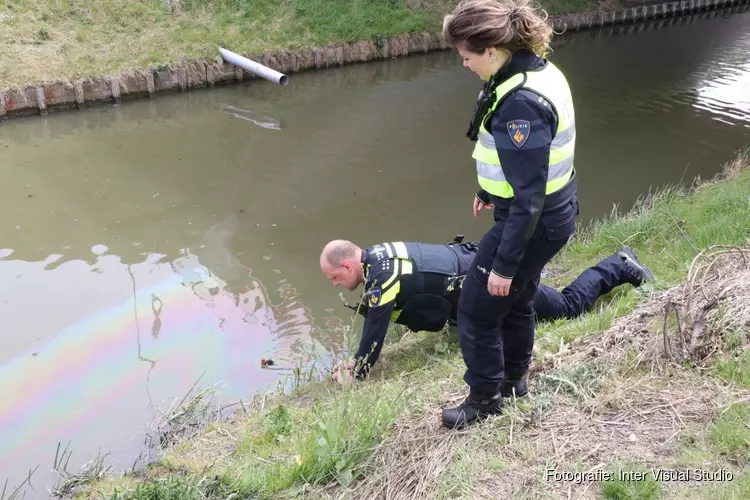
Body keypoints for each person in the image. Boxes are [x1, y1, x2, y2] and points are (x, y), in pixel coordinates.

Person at [440, 0, 580, 429]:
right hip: (549, 214)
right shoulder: (531, 70)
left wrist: (503, 263)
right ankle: (514, 381)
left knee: (477, 308)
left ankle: (484, 400)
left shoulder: (520, 102)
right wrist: (489, 189)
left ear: (491, 50)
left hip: (533, 221)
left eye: (466, 55)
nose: (463, 64)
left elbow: (529, 195)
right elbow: (523, 166)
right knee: (517, 300)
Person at [319, 239, 652, 385]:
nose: (335, 284)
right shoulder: (379, 254)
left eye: (335, 277)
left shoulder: (382, 277)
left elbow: (374, 335)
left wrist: (356, 372)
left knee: (566, 308)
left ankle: (619, 265)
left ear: (348, 264)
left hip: (490, 278)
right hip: (478, 269)